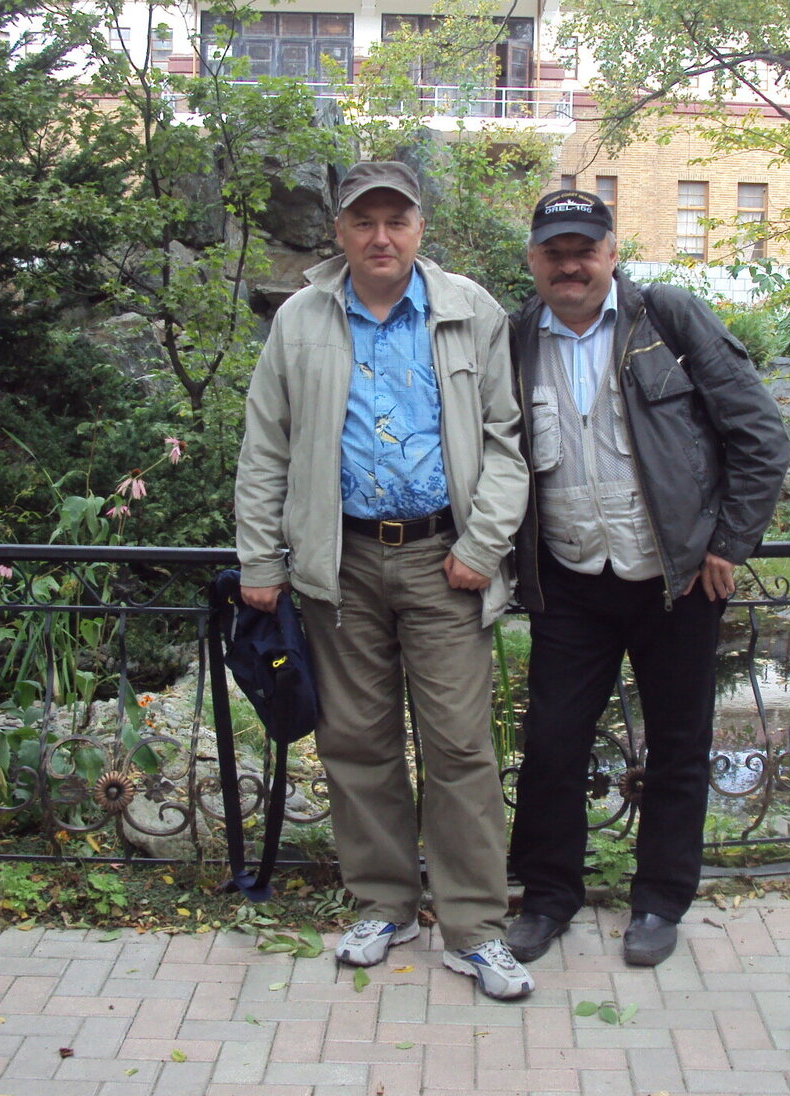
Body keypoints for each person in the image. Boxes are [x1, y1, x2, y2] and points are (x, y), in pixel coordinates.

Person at [234, 160, 533, 1000]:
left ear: (418, 228)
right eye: (363, 222)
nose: (380, 237)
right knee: (356, 742)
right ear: (339, 232)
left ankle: (474, 928)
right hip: (341, 562)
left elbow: (507, 444)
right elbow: (265, 447)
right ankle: (384, 904)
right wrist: (261, 559)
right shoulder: (301, 318)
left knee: (460, 746)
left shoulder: (470, 311)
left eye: (395, 221)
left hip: (447, 562)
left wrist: (483, 545)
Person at [504, 189, 790, 968]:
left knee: (678, 745)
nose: (570, 265)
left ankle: (660, 902)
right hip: (569, 577)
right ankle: (548, 898)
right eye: (555, 252)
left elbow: (762, 435)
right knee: (553, 743)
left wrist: (728, 543)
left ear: (611, 253)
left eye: (584, 250)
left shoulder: (665, 319)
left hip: (677, 579)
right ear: (533, 260)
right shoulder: (515, 336)